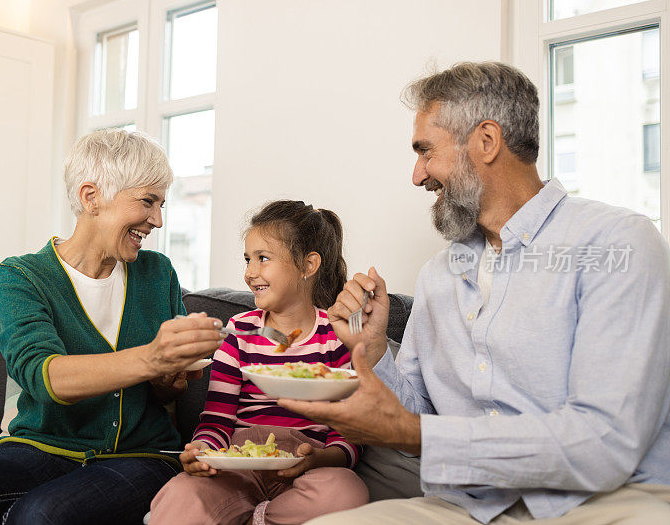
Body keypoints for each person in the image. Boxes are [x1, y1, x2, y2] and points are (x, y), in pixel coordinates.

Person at [280, 62, 670, 524]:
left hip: (601, 503)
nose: (417, 174)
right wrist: (374, 350)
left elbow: (605, 442)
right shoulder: (438, 275)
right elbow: (418, 411)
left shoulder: (615, 243)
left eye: (426, 151)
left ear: (486, 141)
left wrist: (418, 434)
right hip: (471, 508)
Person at [0, 129, 225, 524]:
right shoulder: (22, 277)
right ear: (91, 197)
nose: (156, 219)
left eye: (161, 205)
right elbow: (43, 376)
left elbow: (169, 392)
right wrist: (152, 357)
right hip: (38, 447)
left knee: (42, 515)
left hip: (141, 456)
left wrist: (172, 371)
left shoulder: (158, 273)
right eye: (147, 202)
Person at [150, 200, 369, 524]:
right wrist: (201, 450)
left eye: (263, 259)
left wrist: (317, 459)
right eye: (248, 260)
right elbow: (216, 421)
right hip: (240, 463)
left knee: (347, 492)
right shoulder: (238, 332)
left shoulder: (337, 337)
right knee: (184, 494)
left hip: (308, 465)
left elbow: (348, 434)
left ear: (308, 265)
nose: (250, 273)